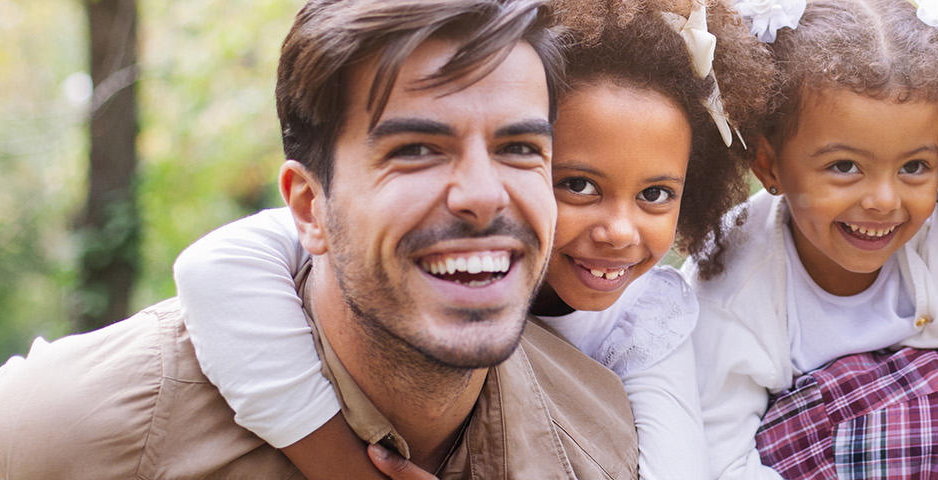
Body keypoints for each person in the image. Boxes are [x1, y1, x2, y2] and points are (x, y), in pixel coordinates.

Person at [0, 0, 640, 478]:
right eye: (415, 149)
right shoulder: (79, 430)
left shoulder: (601, 437)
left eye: (519, 150)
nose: (481, 195)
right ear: (309, 209)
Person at [170, 0, 775, 478]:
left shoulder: (646, 320)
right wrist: (344, 468)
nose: (618, 231)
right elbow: (214, 268)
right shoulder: (407, 230)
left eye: (655, 196)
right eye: (579, 185)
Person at [689, 0, 938, 478]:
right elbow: (719, 456)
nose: (885, 200)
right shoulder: (731, 284)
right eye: (844, 167)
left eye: (914, 167)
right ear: (768, 164)